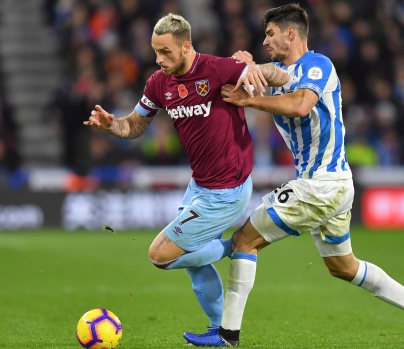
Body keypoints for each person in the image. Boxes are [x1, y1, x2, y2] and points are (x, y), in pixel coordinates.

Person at [185, 4, 404, 347]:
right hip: (330, 187)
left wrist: (250, 100)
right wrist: (246, 67)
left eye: (271, 34)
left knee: (245, 240)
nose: (265, 40)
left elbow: (301, 104)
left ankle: (226, 334)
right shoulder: (281, 70)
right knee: (343, 267)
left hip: (323, 184)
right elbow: (274, 76)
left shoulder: (318, 65)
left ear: (291, 33)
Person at [83, 13, 288, 339]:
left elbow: (278, 74)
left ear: (186, 45)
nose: (158, 59)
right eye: (155, 51)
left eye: (165, 52)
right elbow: (136, 125)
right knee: (192, 261)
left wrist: (257, 70)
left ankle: (233, 246)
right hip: (200, 185)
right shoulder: (159, 83)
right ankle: (219, 331)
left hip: (228, 189)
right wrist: (111, 125)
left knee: (160, 255)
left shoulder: (218, 69)